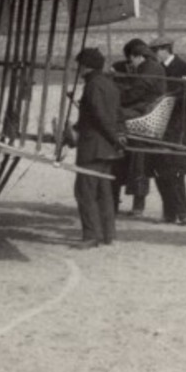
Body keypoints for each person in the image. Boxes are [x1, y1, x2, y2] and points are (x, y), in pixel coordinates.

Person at [70, 46, 125, 248]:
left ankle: (91, 236)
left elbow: (98, 116)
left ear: (85, 67)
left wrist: (113, 138)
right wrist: (118, 140)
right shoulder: (110, 84)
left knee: (85, 192)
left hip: (92, 148)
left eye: (79, 65)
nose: (78, 69)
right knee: (105, 193)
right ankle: (109, 234)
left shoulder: (92, 86)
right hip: (107, 150)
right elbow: (117, 115)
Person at [149, 36, 186, 225]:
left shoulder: (185, 68)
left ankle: (183, 213)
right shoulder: (155, 69)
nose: (153, 56)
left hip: (178, 126)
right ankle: (169, 213)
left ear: (165, 49)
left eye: (154, 52)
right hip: (157, 126)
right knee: (159, 170)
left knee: (176, 171)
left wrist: (170, 97)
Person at [113, 38, 167, 217]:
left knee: (112, 113)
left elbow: (137, 92)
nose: (130, 64)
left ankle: (76, 133)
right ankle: (137, 206)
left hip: (145, 113)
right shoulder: (150, 66)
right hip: (145, 109)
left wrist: (117, 96)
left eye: (131, 60)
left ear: (137, 56)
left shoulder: (149, 68)